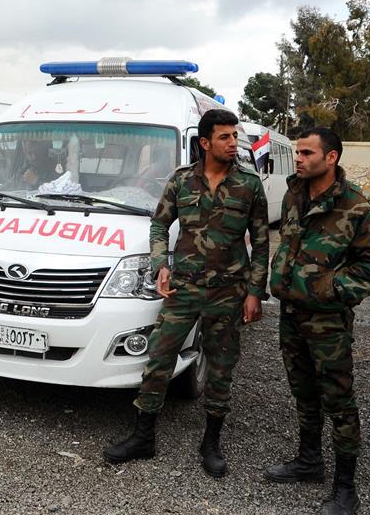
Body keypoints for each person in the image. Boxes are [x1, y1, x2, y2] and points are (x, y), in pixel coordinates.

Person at [102, 109, 269, 478]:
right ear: (205, 143)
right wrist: (161, 264)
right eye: (224, 137)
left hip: (228, 291)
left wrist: (256, 291)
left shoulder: (249, 184)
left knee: (221, 365)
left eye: (234, 136)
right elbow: (160, 223)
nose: (233, 143)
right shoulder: (181, 181)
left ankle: (211, 442)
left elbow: (261, 241)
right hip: (184, 288)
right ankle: (143, 436)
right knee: (159, 358)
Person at [263, 127, 370, 515]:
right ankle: (309, 461)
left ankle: (345, 488)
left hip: (328, 322)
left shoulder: (358, 205)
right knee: (303, 391)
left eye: (306, 152)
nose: (298, 158)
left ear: (331, 157)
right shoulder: (294, 194)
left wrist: (332, 289)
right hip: (290, 313)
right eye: (297, 152)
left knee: (338, 400)